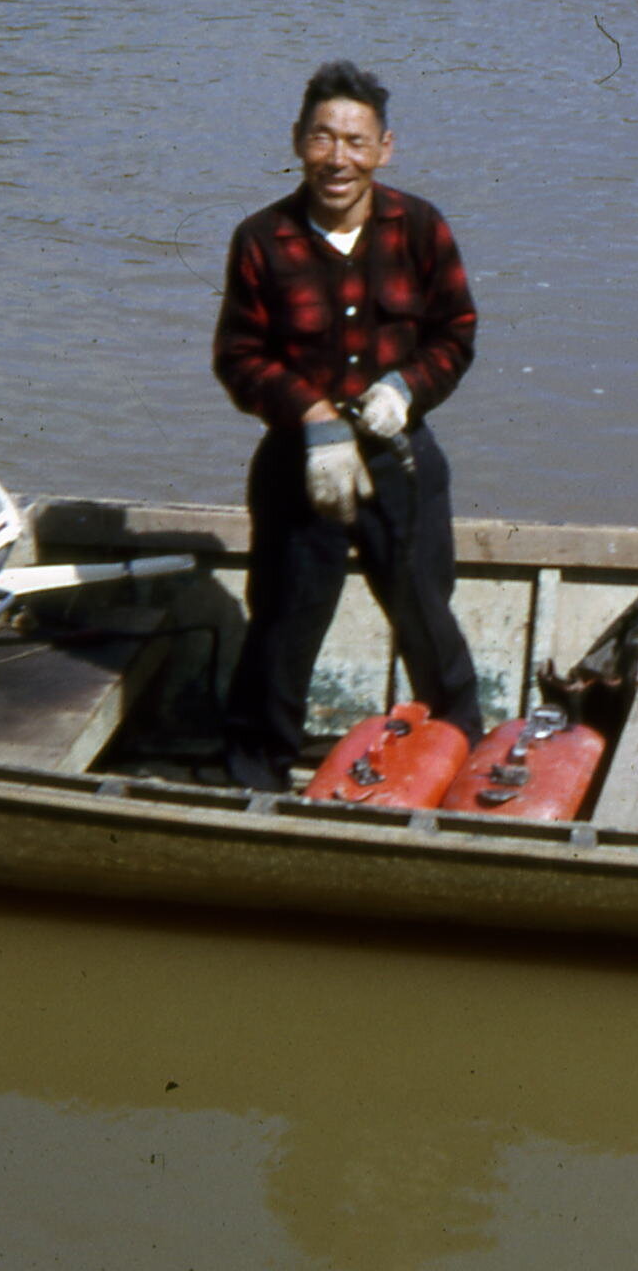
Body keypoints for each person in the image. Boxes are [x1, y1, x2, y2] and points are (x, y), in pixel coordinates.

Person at [210, 61, 484, 790]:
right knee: (282, 625)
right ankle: (254, 778)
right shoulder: (261, 238)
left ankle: (461, 751)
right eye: (323, 139)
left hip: (402, 460)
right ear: (299, 141)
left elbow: (455, 334)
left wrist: (406, 390)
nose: (339, 159)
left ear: (384, 148)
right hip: (303, 465)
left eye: (356, 142)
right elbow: (239, 357)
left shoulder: (421, 227)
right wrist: (313, 415)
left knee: (427, 616)